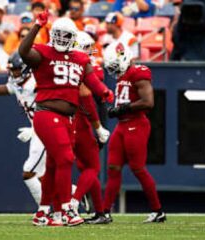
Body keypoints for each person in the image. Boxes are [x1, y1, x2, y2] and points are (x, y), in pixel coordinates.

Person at [19, 14, 113, 227]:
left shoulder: (80, 58)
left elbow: (90, 80)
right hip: (47, 113)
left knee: (53, 164)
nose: (61, 38)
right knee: (66, 159)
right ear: (52, 35)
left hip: (68, 118)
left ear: (73, 37)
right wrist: (36, 26)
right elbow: (23, 51)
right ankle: (65, 210)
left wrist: (104, 91)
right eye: (58, 34)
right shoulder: (43, 51)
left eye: (66, 35)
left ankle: (43, 213)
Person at [102, 42, 166, 223]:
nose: (113, 71)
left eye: (115, 66)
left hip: (136, 125)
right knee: (113, 168)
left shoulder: (139, 72)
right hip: (122, 126)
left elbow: (148, 102)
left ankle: (157, 210)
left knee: (138, 169)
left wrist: (123, 108)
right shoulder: (124, 75)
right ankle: (105, 212)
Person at [0, 52, 46, 207]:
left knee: (29, 172)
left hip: (46, 129)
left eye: (16, 69)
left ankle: (45, 209)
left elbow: (50, 106)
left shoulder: (37, 82)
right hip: (38, 129)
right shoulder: (17, 82)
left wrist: (36, 128)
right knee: (42, 176)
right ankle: (73, 194)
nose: (13, 72)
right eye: (12, 69)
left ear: (25, 69)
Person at [71, 31, 112, 225]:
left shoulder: (65, 64)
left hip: (70, 120)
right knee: (91, 167)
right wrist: (99, 127)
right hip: (84, 121)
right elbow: (88, 96)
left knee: (85, 167)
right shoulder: (82, 67)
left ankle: (101, 211)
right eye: (87, 48)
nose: (91, 52)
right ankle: (72, 202)